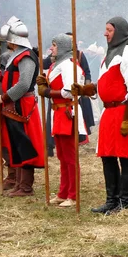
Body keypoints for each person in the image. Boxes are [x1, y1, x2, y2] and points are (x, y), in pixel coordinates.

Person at [73, 17, 128, 215]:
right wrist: (85, 89)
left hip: (123, 110)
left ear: (118, 31)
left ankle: (126, 203)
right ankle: (112, 200)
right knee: (107, 157)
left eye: (108, 30)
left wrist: (127, 119)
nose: (105, 33)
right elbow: (106, 83)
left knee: (125, 159)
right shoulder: (109, 55)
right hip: (109, 113)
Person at [0, 16, 44, 196]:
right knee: (16, 143)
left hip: (22, 105)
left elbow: (24, 84)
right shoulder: (15, 56)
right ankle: (19, 182)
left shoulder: (26, 56)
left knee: (25, 144)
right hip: (14, 104)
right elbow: (13, 80)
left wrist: (6, 97)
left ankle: (26, 186)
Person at [38, 34, 86, 208]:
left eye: (54, 45)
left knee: (70, 156)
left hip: (67, 112)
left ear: (63, 47)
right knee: (62, 156)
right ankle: (63, 193)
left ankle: (73, 195)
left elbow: (69, 91)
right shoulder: (56, 65)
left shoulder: (69, 66)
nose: (51, 49)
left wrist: (48, 92)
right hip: (58, 113)